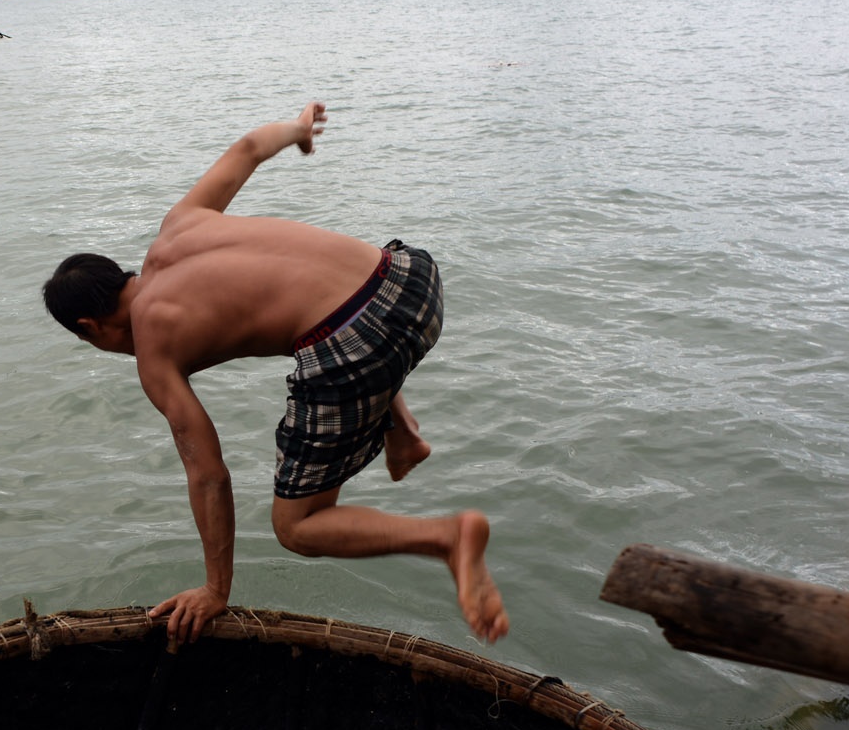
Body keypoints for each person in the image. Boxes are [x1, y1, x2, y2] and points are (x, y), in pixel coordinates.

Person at [41, 101, 510, 646]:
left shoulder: (154, 350)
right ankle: (401, 433)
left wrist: (216, 589)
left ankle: (447, 539)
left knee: (297, 526)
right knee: (321, 329)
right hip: (412, 278)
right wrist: (298, 130)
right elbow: (248, 149)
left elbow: (209, 475)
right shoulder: (177, 228)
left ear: (89, 327)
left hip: (364, 341)